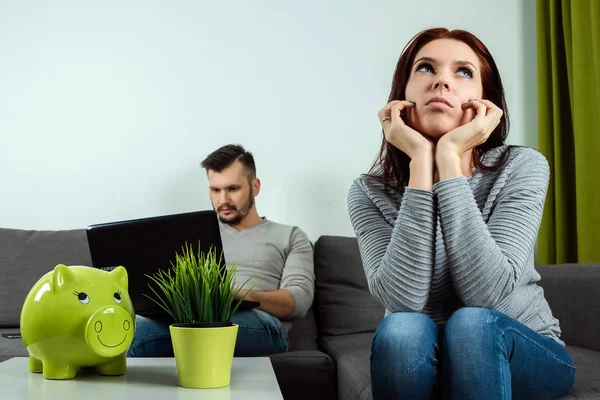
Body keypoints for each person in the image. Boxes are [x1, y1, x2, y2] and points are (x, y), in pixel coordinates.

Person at [347, 27, 576, 399]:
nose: (441, 82)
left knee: (471, 324)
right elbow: (403, 302)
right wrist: (422, 161)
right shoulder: (368, 191)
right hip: (427, 353)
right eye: (425, 68)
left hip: (521, 349)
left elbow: (487, 294)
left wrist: (449, 159)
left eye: (463, 72)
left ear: (486, 102)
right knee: (401, 329)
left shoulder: (522, 166)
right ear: (402, 96)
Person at [127, 144, 315, 357]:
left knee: (137, 335)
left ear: (255, 187)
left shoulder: (290, 236)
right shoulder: (191, 235)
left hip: (261, 322)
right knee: (127, 326)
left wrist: (233, 295)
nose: (223, 200)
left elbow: (298, 301)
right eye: (215, 190)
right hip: (189, 315)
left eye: (232, 189)